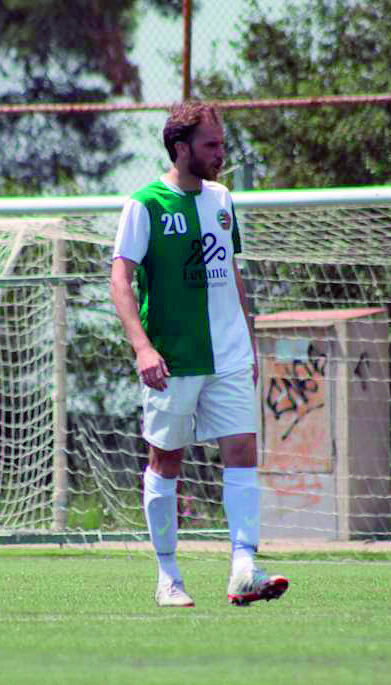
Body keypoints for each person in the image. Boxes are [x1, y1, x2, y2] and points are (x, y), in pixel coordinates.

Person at [109, 100, 289, 608]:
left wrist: (248, 342)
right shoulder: (144, 204)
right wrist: (142, 347)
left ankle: (244, 567)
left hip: (229, 355)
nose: (220, 154)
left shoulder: (224, 199)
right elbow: (119, 279)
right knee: (166, 461)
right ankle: (168, 576)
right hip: (173, 359)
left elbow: (231, 272)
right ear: (180, 148)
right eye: (211, 145)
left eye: (223, 144)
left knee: (242, 452)